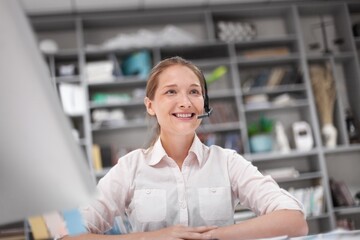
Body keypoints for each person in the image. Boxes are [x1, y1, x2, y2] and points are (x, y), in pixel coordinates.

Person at [63, 56, 308, 240]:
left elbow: (294, 220)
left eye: (194, 92)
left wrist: (214, 236)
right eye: (171, 91)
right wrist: (153, 237)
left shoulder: (227, 162)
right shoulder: (130, 168)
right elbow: (67, 235)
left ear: (204, 103)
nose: (185, 102)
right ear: (150, 105)